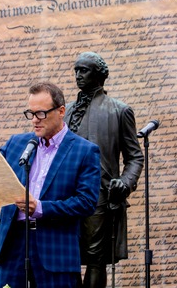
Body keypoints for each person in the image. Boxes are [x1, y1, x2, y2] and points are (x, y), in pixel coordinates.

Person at [0, 82, 101, 288]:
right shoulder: (17, 144)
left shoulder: (85, 151)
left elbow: (86, 202)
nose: (35, 120)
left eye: (41, 114)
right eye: (31, 113)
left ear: (61, 111)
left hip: (56, 251)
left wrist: (41, 208)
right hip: (13, 245)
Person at [64, 51, 144, 287]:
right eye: (76, 70)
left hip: (98, 193)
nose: (78, 75)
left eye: (84, 70)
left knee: (95, 258)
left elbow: (135, 157)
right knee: (64, 255)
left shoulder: (119, 110)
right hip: (63, 194)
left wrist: (125, 182)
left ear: (99, 74)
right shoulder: (65, 111)